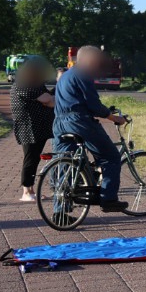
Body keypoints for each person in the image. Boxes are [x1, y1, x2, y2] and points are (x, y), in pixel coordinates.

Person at [53, 46, 130, 212]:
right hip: (79, 121)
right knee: (110, 156)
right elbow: (94, 105)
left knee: (65, 165)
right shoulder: (83, 75)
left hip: (59, 122)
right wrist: (113, 117)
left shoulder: (65, 76)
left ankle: (60, 211)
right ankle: (108, 199)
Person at [9, 56, 56, 202]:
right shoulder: (24, 85)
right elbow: (48, 100)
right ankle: (26, 191)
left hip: (37, 127)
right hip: (29, 127)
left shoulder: (35, 84)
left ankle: (31, 190)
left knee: (34, 158)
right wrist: (48, 99)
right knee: (30, 158)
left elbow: (49, 98)